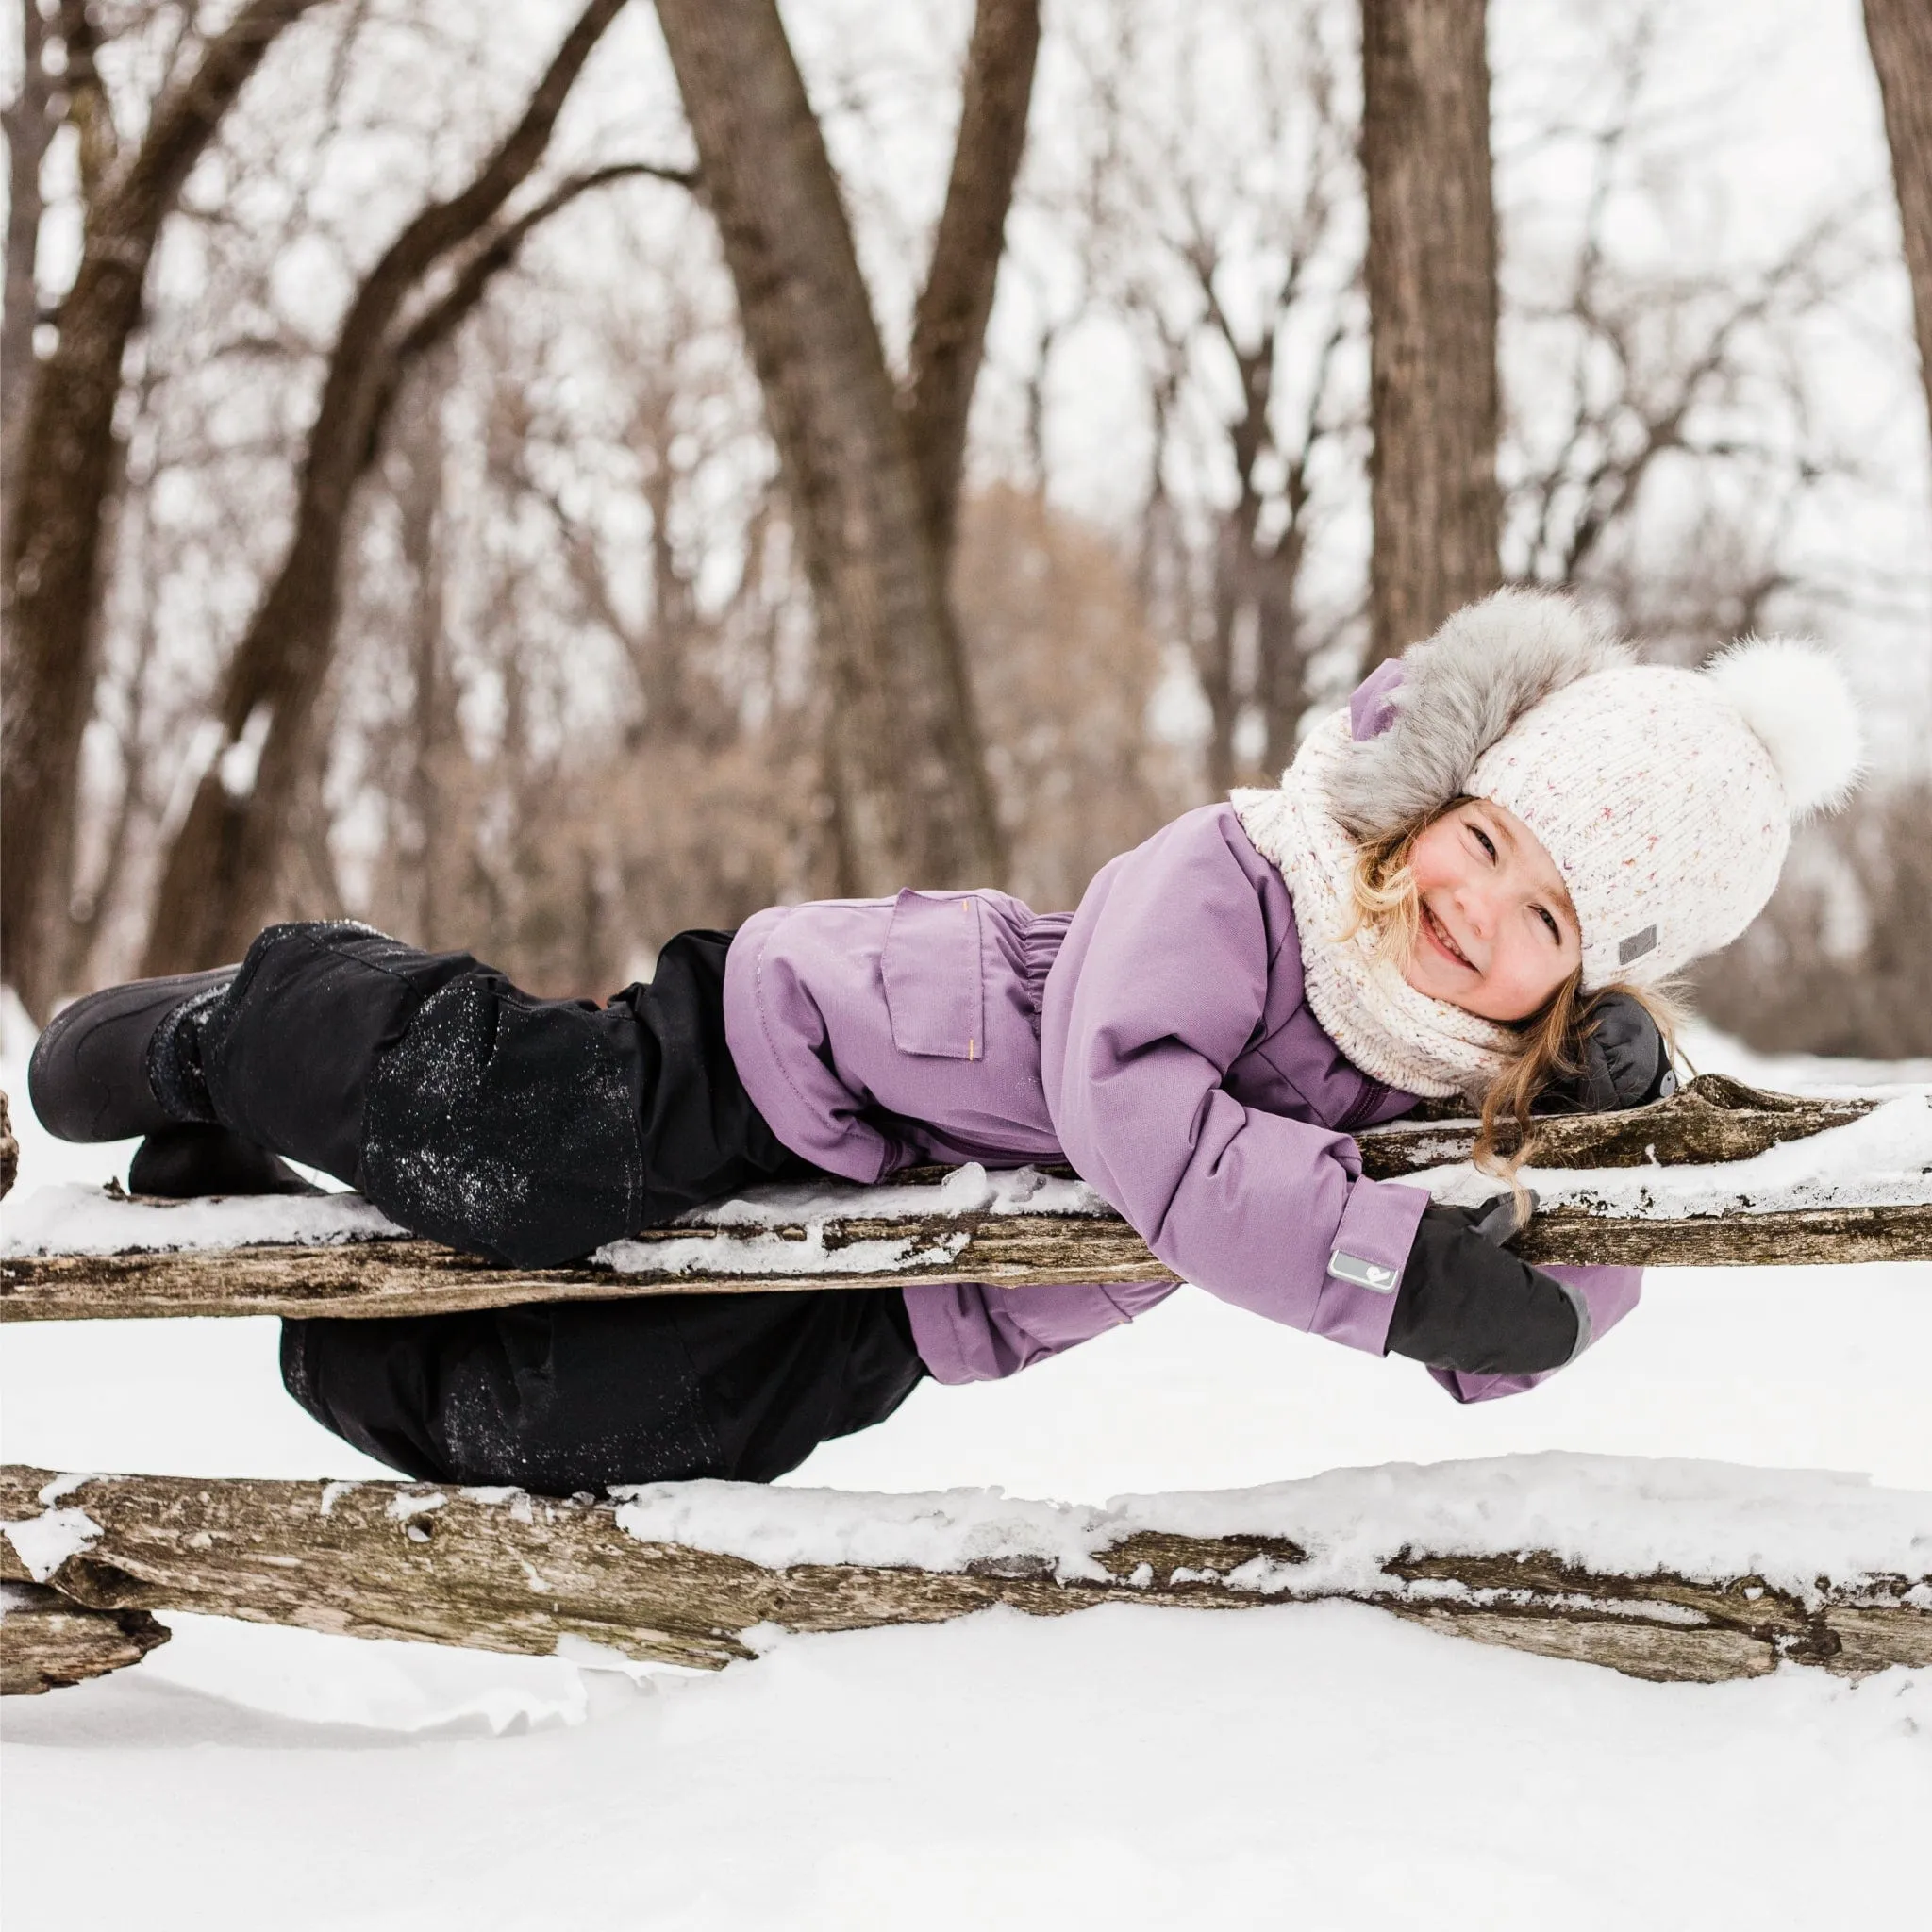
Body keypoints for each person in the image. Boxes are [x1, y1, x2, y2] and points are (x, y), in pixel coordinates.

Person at [28, 589, 1862, 1494]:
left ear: (1581, 977)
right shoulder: (1249, 873)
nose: (1477, 908)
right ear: (1432, 802)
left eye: (1542, 914)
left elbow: (1553, 1257)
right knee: (521, 1150)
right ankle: (231, 1035)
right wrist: (1389, 1274)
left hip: (929, 1293)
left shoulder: (1459, 1068)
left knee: (594, 1414)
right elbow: (1128, 1103)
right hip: (801, 1051)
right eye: (1482, 842)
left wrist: (1531, 1284)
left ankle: (313, 1313)